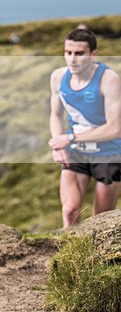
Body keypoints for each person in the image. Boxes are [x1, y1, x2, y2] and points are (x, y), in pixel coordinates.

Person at [49, 28, 121, 227]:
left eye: (79, 54)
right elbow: (55, 115)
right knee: (70, 210)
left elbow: (115, 128)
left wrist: (69, 138)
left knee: (101, 219)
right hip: (77, 151)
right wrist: (59, 144)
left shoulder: (108, 79)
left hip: (109, 153)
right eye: (68, 53)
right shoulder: (58, 77)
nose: (72, 59)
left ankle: (94, 258)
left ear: (93, 55)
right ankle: (66, 256)